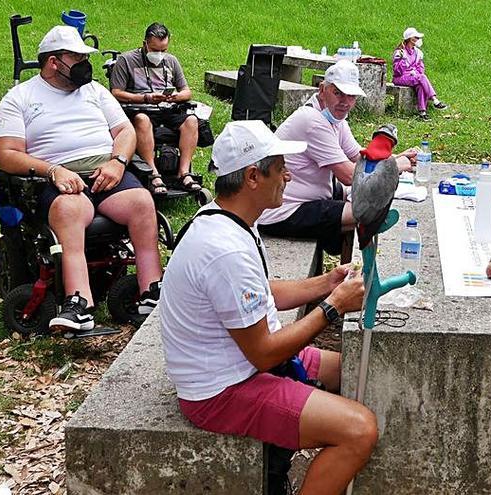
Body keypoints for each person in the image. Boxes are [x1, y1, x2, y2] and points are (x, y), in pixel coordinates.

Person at [160, 120, 375, 494]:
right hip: (221, 390)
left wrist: (326, 283)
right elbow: (261, 354)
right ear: (252, 176)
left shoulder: (230, 219)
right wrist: (331, 307)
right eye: (280, 169)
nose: (288, 177)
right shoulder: (224, 249)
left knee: (356, 371)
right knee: (360, 429)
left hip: (237, 364)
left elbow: (260, 294)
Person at [0, 26, 163, 334]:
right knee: (70, 211)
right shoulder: (20, 98)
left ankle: (152, 292)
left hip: (105, 171)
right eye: (78, 57)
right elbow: (7, 153)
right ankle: (79, 303)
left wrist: (118, 162)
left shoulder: (95, 91)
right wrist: (52, 170)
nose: (85, 63)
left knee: (142, 203)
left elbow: (125, 131)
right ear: (54, 62)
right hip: (55, 177)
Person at [258, 60, 416, 255]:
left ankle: (349, 269)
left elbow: (358, 157)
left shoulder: (333, 117)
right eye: (338, 93)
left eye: (351, 96)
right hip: (283, 211)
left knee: (363, 204)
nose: (345, 102)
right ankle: (353, 274)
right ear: (322, 90)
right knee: (365, 213)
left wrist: (395, 157)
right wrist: (395, 165)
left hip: (310, 196)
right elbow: (350, 176)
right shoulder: (313, 121)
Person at [109, 22, 200, 194]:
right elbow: (116, 92)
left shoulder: (171, 61)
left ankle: (184, 172)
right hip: (140, 108)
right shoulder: (127, 61)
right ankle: (154, 173)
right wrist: (145, 98)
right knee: (142, 120)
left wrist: (176, 96)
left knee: (192, 121)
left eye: (163, 50)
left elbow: (187, 91)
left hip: (168, 107)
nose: (159, 54)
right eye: (155, 50)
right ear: (145, 44)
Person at [392, 27, 449, 120]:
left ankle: (422, 112)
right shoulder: (400, 52)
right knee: (421, 78)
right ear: (410, 39)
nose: (418, 39)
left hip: (413, 77)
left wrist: (415, 73)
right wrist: (403, 60)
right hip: (400, 78)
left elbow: (421, 69)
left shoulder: (418, 53)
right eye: (416, 37)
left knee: (420, 85)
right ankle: (435, 100)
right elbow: (397, 71)